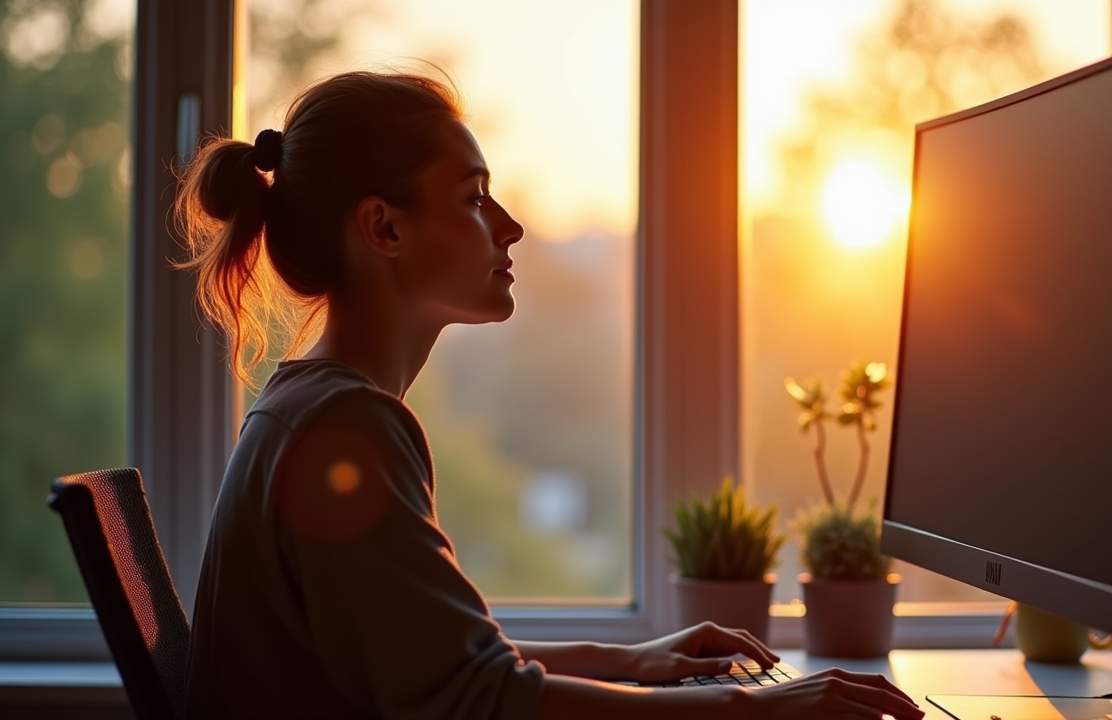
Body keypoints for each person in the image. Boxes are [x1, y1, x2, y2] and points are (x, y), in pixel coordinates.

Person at [178, 69, 923, 720]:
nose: (511, 227)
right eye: (475, 198)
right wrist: (749, 709)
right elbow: (478, 700)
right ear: (384, 228)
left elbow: (439, 656)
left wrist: (632, 659)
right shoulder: (344, 427)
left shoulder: (309, 405)